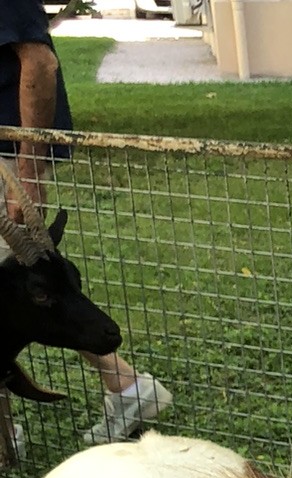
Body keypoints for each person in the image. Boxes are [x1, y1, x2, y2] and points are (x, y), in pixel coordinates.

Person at [1, 0, 173, 444]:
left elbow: (39, 62)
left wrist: (28, 170)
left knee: (25, 286)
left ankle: (128, 385)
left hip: (6, 158)